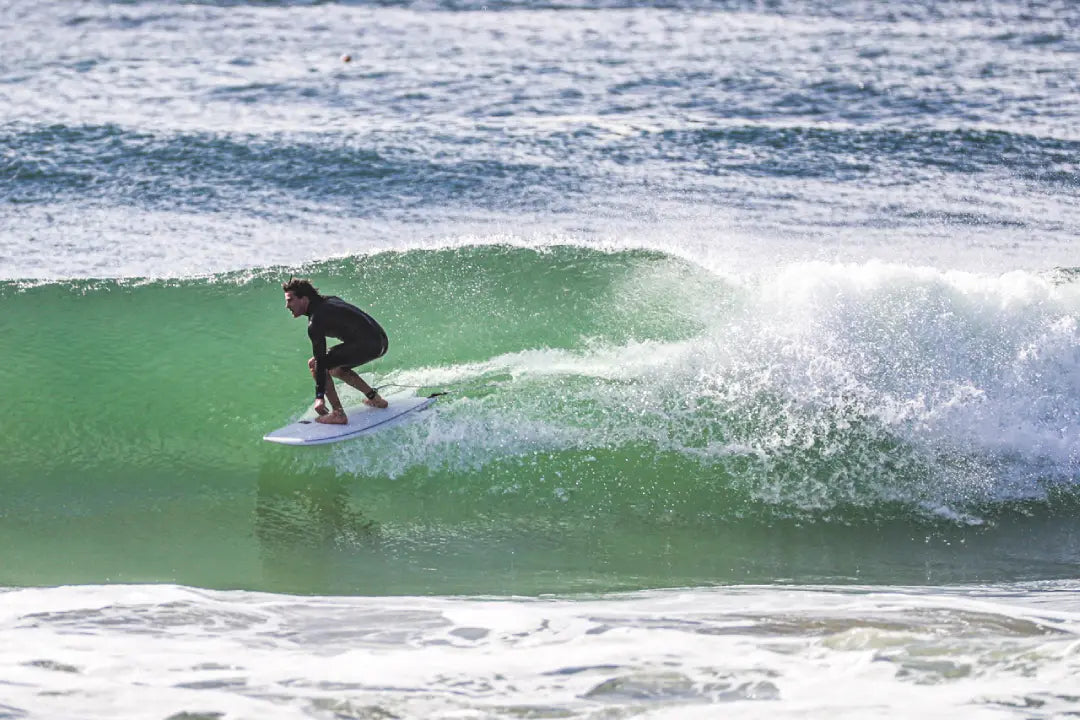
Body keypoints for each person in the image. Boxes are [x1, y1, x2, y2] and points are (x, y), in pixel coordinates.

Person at [282, 278, 388, 425]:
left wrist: (319, 396)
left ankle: (338, 414)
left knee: (315, 364)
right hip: (381, 340)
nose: (287, 305)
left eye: (290, 300)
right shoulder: (330, 300)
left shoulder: (316, 321)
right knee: (335, 368)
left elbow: (320, 361)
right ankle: (375, 398)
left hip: (368, 344)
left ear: (304, 298)